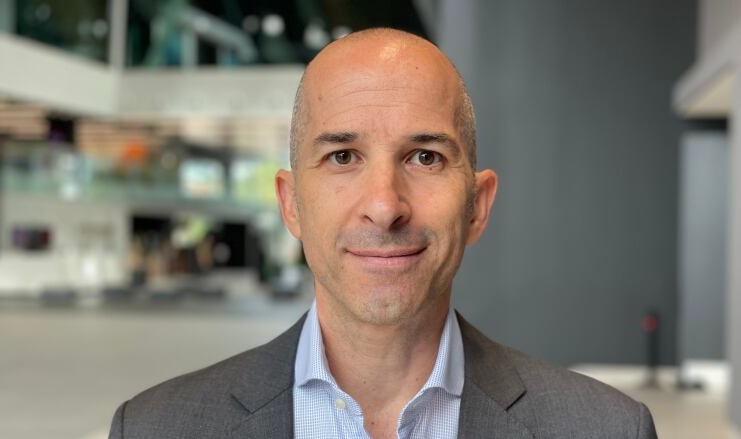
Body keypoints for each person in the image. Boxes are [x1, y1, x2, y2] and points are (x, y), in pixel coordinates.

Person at [109, 28, 657, 439]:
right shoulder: (155, 428)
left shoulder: (607, 430)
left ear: (477, 205)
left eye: (425, 157)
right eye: (342, 156)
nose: (384, 206)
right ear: (291, 203)